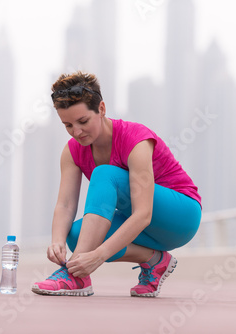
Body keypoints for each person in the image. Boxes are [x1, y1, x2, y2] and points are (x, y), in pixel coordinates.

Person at [32, 71, 202, 297]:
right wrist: (57, 241)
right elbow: (65, 205)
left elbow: (143, 214)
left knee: (105, 174)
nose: (77, 132)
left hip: (181, 216)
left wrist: (99, 255)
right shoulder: (72, 152)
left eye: (83, 121)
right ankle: (155, 261)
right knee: (75, 235)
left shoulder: (135, 140)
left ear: (101, 109)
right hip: (147, 230)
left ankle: (75, 278)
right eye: (68, 125)